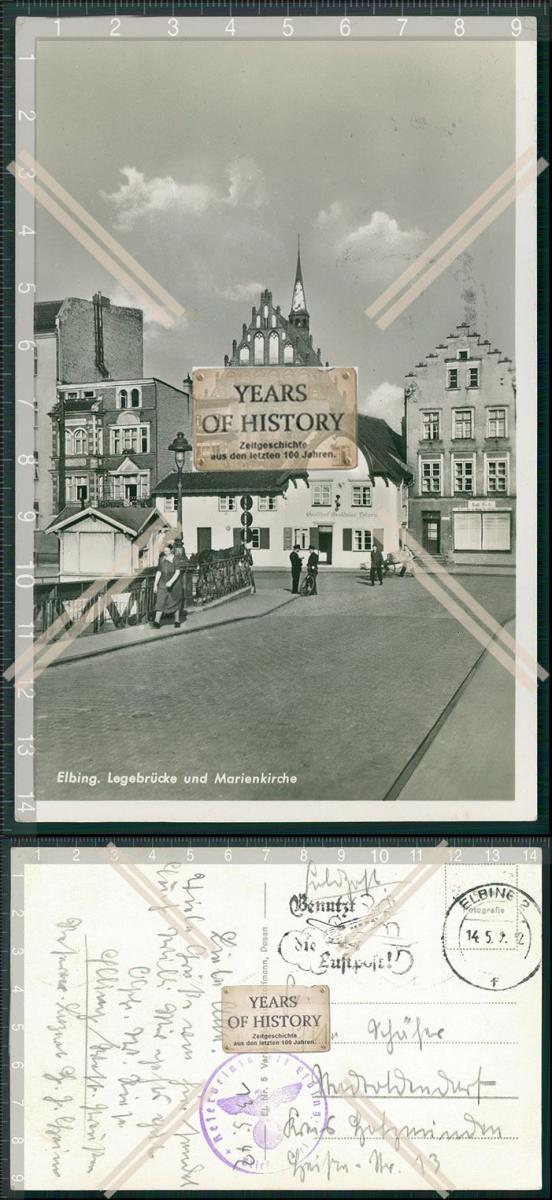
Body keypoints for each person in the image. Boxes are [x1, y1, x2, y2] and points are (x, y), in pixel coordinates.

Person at [152, 542, 184, 628]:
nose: (165, 552)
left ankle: (177, 621)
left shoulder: (175, 559)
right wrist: (155, 585)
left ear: (171, 550)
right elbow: (159, 572)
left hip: (174, 584)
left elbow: (178, 572)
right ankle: (156, 622)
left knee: (175, 601)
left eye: (167, 551)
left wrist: (171, 582)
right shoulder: (161, 559)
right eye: (164, 550)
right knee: (160, 600)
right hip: (162, 583)